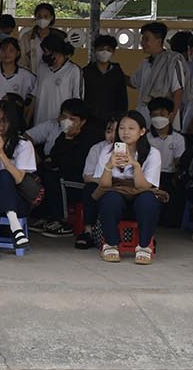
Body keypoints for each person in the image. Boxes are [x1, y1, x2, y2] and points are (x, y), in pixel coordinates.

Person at [93, 111, 163, 264]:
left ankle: (144, 246)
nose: (125, 132)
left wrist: (135, 165)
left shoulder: (152, 154)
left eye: (131, 128)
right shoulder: (107, 151)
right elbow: (103, 185)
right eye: (122, 128)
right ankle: (111, 244)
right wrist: (110, 165)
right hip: (117, 192)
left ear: (142, 131)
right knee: (109, 198)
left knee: (148, 200)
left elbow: (145, 186)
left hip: (140, 192)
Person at [0, 99, 39, 261]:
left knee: (4, 175)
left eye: (4, 120)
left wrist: (1, 153)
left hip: (20, 201)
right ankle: (15, 228)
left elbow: (19, 178)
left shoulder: (24, 145)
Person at [33, 98, 99, 237]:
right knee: (42, 174)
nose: (66, 121)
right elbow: (53, 157)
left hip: (82, 182)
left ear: (82, 121)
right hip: (63, 176)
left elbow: (74, 165)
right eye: (63, 117)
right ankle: (47, 216)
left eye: (72, 118)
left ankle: (63, 221)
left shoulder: (89, 138)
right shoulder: (63, 136)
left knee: (56, 178)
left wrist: (68, 142)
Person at [73, 115, 120, 250]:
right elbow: (87, 176)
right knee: (90, 188)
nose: (112, 135)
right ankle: (88, 231)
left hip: (123, 188)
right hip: (100, 184)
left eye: (116, 131)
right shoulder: (98, 149)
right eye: (109, 130)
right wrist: (104, 181)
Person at [130, 22, 185, 130]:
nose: (142, 43)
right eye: (142, 39)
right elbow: (133, 82)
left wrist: (169, 120)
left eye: (146, 39)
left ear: (159, 40)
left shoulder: (172, 62)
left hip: (163, 122)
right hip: (145, 119)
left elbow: (178, 92)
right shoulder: (145, 63)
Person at [143, 97, 186, 228]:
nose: (158, 118)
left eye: (162, 114)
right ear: (150, 116)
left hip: (168, 175)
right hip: (148, 176)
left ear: (170, 115)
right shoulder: (145, 137)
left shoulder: (178, 138)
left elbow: (179, 161)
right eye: (155, 115)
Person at [31, 33, 82, 127]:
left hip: (62, 124)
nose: (44, 55)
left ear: (56, 51)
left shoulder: (73, 70)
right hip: (40, 122)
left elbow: (77, 100)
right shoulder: (41, 68)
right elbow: (35, 95)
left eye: (46, 52)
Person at [83, 33, 128, 127]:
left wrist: (119, 118)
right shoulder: (86, 72)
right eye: (101, 49)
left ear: (113, 52)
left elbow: (122, 98)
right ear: (95, 50)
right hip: (89, 120)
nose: (104, 52)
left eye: (108, 50)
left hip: (112, 120)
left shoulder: (117, 72)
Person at [18, 2, 57, 71]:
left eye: (45, 16)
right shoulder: (27, 37)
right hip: (31, 75)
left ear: (51, 17)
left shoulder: (58, 37)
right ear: (35, 17)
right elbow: (22, 59)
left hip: (51, 76)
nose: (42, 19)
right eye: (39, 16)